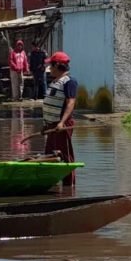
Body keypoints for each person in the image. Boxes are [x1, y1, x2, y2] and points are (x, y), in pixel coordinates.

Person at [42, 51, 78, 187]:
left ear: (58, 66)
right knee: (49, 156)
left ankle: (69, 187)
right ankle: (50, 185)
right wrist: (46, 125)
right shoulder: (55, 82)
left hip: (61, 125)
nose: (49, 68)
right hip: (51, 126)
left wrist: (62, 123)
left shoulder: (69, 82)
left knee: (65, 157)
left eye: (51, 65)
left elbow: (70, 103)